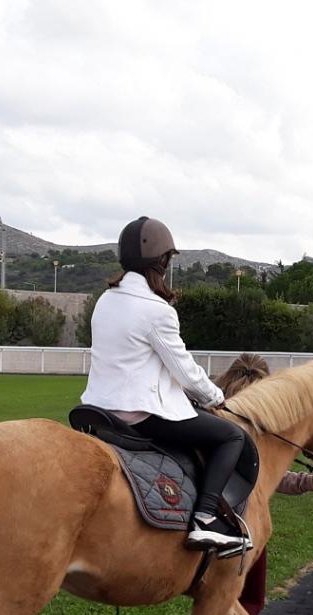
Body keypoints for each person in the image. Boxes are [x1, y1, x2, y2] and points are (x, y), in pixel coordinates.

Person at [81, 216, 251, 552]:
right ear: (161, 261)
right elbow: (185, 372)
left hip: (97, 410)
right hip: (140, 415)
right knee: (232, 435)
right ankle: (204, 519)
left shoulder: (105, 300)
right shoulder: (156, 310)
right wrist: (216, 395)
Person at [193, 353, 313, 615]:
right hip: (243, 523)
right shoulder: (259, 423)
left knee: (228, 599)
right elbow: (273, 477)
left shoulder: (218, 415)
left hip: (203, 514)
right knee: (247, 599)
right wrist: (309, 484)